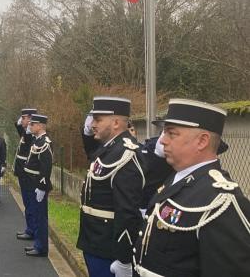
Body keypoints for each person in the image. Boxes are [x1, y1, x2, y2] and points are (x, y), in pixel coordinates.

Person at [134, 98, 250, 276]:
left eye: (171, 133)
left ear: (202, 141)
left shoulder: (220, 200)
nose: (162, 140)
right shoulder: (175, 179)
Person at [77, 97, 144, 277]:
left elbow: (127, 211)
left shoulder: (126, 154)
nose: (92, 125)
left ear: (115, 122)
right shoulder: (108, 149)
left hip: (108, 248)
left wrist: (123, 258)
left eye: (98, 120)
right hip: (94, 240)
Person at [22, 115, 52, 257]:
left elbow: (46, 167)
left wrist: (42, 187)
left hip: (37, 184)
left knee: (40, 216)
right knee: (35, 213)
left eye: (33, 124)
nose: (30, 126)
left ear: (40, 126)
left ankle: (41, 247)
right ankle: (38, 244)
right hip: (31, 182)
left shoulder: (45, 142)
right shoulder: (37, 140)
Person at [14, 108, 38, 240]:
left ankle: (32, 230)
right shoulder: (26, 133)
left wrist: (27, 124)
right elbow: (21, 131)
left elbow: (27, 136)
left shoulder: (31, 135)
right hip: (23, 174)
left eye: (24, 118)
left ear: (30, 119)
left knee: (30, 203)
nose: (21, 120)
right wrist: (21, 123)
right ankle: (30, 229)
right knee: (27, 203)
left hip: (28, 175)